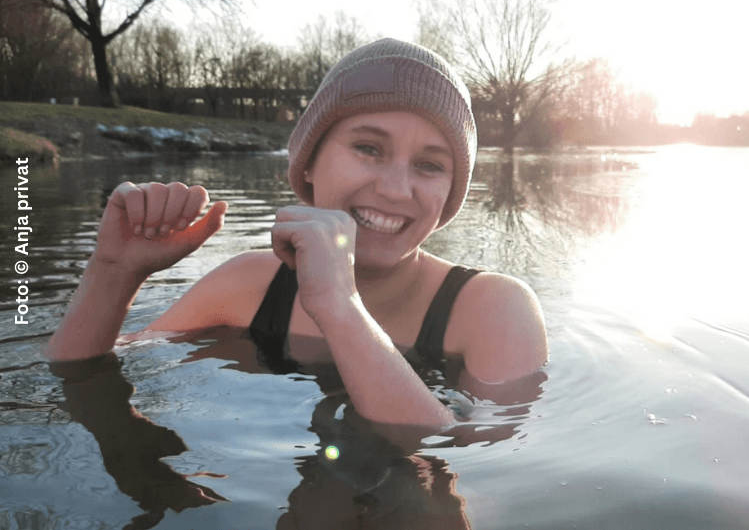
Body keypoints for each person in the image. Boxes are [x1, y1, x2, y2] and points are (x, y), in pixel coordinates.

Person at [44, 38, 548, 430]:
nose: (396, 189)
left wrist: (338, 305)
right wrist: (114, 274)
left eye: (429, 165)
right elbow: (79, 383)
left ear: (451, 193)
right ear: (308, 165)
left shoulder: (495, 310)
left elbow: (469, 463)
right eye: (368, 148)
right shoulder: (248, 285)